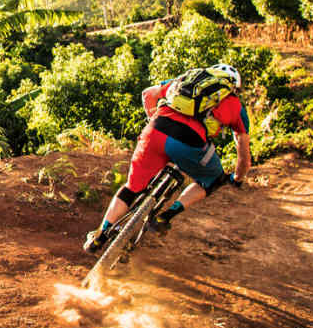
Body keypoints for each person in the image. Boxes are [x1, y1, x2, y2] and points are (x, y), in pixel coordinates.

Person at [84, 63, 252, 253]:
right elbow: (243, 153)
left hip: (156, 129)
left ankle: (100, 234)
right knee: (213, 179)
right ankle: (166, 216)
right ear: (234, 87)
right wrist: (237, 178)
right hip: (189, 143)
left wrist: (152, 121)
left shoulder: (187, 80)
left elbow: (148, 94)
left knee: (131, 188)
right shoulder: (234, 104)